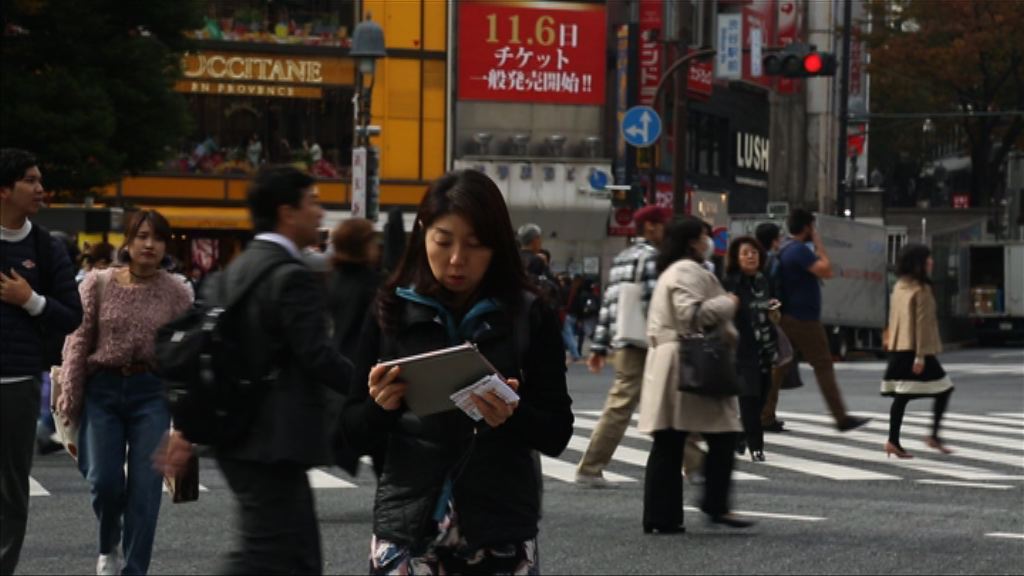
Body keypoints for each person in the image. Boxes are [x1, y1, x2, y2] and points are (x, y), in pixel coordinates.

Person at [337, 169, 573, 574]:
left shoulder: (528, 313)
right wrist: (380, 408)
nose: (456, 259)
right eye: (443, 242)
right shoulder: (390, 308)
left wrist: (512, 416)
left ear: (497, 246)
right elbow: (349, 429)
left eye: (475, 245)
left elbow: (557, 433)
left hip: (500, 529)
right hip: (408, 528)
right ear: (423, 233)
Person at [157, 166, 354, 574]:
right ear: (288, 212)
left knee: (299, 558)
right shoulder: (290, 277)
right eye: (313, 202)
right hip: (274, 439)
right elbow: (317, 356)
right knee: (266, 555)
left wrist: (184, 430)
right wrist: (372, 386)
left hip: (239, 434)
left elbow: (207, 353)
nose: (321, 212)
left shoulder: (232, 272)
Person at [58, 210, 192, 575]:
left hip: (151, 392)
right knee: (104, 481)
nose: (150, 244)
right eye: (143, 236)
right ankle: (107, 544)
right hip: (102, 388)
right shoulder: (97, 283)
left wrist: (186, 416)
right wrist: (70, 394)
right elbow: (77, 341)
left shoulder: (178, 292)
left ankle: (135, 570)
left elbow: (185, 356)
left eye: (159, 238)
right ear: (128, 241)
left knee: (146, 490)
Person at [637, 216, 753, 533]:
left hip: (672, 360)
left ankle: (662, 516)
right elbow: (693, 315)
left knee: (669, 441)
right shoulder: (687, 271)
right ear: (692, 241)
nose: (709, 241)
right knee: (723, 433)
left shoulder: (671, 271)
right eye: (705, 236)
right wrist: (728, 303)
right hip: (689, 362)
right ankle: (714, 504)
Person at [1, 148, 83, 575]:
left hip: (17, 383)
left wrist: (29, 300)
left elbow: (73, 315)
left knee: (11, 489)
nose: (40, 188)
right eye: (30, 180)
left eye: (39, 179)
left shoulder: (47, 247)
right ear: (4, 189)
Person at [575, 205, 668, 487]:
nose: (666, 230)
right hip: (647, 343)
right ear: (651, 227)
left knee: (647, 402)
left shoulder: (623, 257)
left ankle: (695, 465)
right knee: (647, 402)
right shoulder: (652, 257)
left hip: (626, 340)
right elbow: (654, 305)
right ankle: (590, 466)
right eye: (662, 224)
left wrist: (600, 346)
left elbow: (610, 304)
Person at [776, 209, 869, 432]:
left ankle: (765, 414)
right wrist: (819, 243)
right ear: (807, 227)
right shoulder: (799, 250)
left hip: (789, 316)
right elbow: (826, 270)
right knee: (823, 366)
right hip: (803, 319)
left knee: (778, 367)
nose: (814, 230)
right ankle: (841, 417)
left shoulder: (785, 248)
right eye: (813, 227)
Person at [881, 244, 954, 458]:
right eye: (927, 259)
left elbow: (894, 318)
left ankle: (894, 441)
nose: (931, 262)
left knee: (903, 395)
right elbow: (922, 324)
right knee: (944, 389)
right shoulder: (921, 289)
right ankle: (932, 436)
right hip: (915, 351)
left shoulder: (900, 286)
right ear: (918, 264)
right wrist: (920, 356)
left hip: (899, 348)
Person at [723, 236, 779, 462]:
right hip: (741, 347)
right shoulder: (731, 281)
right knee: (749, 396)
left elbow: (772, 305)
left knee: (763, 396)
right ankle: (756, 446)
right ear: (736, 258)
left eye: (754, 252)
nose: (750, 256)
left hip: (765, 346)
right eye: (745, 253)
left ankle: (739, 436)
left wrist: (774, 308)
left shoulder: (764, 281)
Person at [327, 218, 381, 359]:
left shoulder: (334, 278)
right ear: (362, 246)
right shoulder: (370, 283)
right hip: (361, 359)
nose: (377, 245)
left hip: (336, 354)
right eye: (373, 240)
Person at [754, 222, 790, 433]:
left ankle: (762, 413)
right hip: (769, 316)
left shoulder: (753, 257)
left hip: (754, 317)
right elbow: (776, 289)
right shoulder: (773, 261)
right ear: (774, 240)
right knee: (778, 362)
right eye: (779, 238)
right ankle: (766, 414)